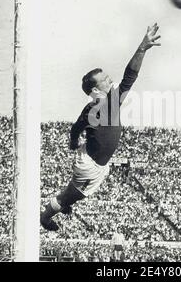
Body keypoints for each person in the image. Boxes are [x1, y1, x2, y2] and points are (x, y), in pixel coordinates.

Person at [41, 23, 161, 231]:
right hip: (91, 167)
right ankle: (45, 217)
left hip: (92, 160)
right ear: (96, 89)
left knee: (73, 193)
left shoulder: (91, 107)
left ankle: (67, 201)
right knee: (69, 196)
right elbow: (129, 77)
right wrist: (141, 49)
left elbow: (75, 129)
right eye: (106, 80)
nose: (110, 80)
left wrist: (73, 141)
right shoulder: (108, 102)